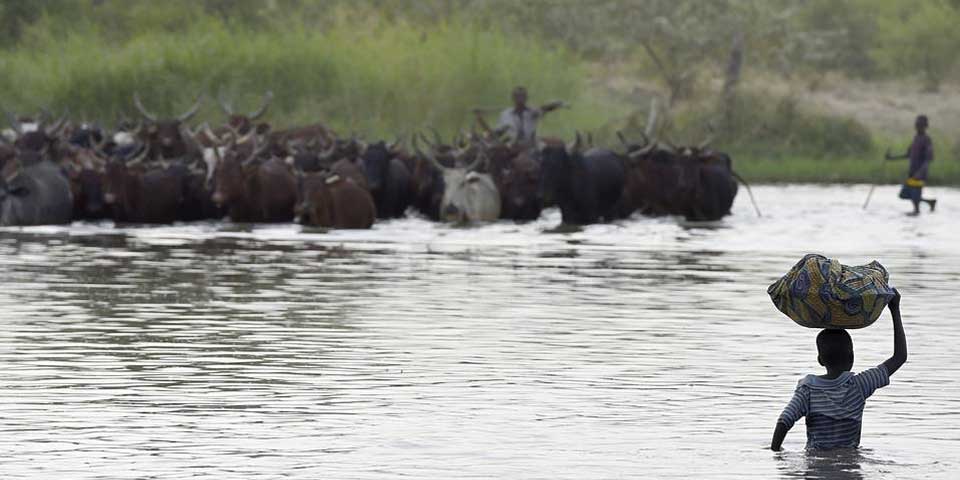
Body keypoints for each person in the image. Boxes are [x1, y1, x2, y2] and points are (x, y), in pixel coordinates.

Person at [770, 289, 907, 451]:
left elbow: (784, 421)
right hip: (850, 463)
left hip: (816, 466)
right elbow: (900, 357)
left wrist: (776, 452)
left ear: (820, 360)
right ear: (852, 358)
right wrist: (895, 310)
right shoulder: (860, 385)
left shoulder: (808, 390)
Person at [473, 86, 565, 147]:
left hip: (531, 146)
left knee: (554, 145)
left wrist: (558, 104)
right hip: (512, 147)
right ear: (513, 98)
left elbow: (546, 108)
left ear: (526, 98)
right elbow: (496, 132)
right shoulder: (506, 114)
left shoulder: (532, 112)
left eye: (522, 96)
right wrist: (481, 120)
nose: (520, 99)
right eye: (518, 96)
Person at [885, 115, 936, 215]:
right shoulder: (916, 138)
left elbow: (928, 159)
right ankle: (930, 202)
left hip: (919, 175)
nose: (917, 127)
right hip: (912, 173)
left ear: (925, 126)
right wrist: (891, 158)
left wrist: (920, 172)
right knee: (903, 194)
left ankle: (915, 216)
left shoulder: (927, 140)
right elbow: (908, 154)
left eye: (920, 125)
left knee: (915, 206)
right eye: (916, 124)